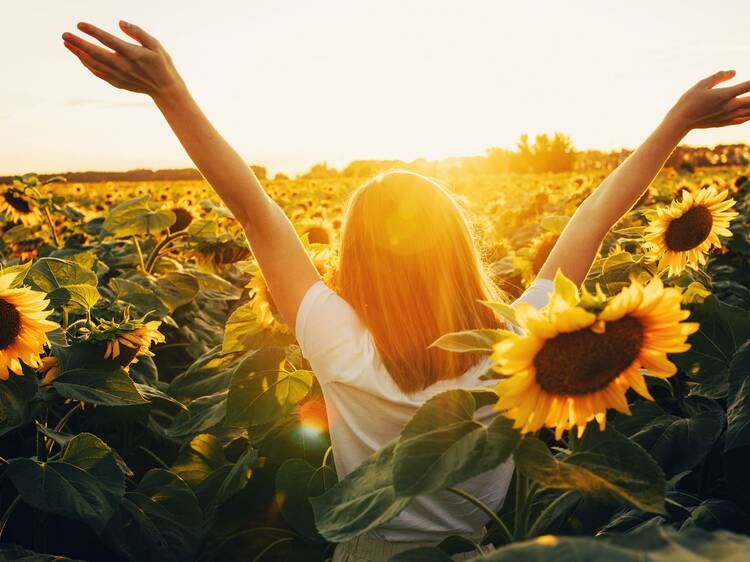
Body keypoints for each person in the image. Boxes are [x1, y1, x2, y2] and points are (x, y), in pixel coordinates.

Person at [61, 20, 750, 561]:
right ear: (459, 247)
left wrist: (170, 93)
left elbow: (253, 209)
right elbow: (595, 217)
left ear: (353, 256)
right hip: (491, 548)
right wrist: (674, 124)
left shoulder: (336, 341)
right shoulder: (518, 343)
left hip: (371, 553)